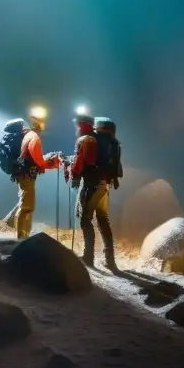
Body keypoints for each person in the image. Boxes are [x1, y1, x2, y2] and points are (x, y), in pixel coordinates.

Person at [69, 115, 121, 271]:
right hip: (106, 185)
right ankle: (109, 261)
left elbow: (80, 163)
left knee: (85, 219)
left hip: (91, 184)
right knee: (103, 219)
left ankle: (88, 257)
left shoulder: (88, 139)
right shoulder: (114, 143)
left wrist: (73, 172)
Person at [7, 106, 61, 240]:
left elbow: (35, 160)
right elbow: (38, 160)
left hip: (24, 175)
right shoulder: (34, 137)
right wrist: (51, 164)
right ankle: (20, 239)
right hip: (26, 176)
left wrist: (46, 163)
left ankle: (24, 235)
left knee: (26, 206)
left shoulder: (27, 135)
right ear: (40, 124)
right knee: (26, 207)